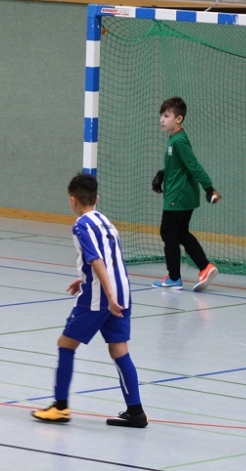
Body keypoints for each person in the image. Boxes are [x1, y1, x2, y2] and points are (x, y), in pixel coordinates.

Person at [32, 173, 148, 427]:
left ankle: (60, 407)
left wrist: (107, 294)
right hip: (123, 291)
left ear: (73, 200)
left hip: (101, 297)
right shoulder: (106, 222)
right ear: (97, 198)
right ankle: (136, 412)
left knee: (66, 344)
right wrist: (85, 279)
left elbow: (96, 260)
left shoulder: (80, 226)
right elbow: (110, 258)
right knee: (119, 349)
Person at [152, 96, 218, 291]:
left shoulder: (179, 141)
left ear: (178, 119)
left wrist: (209, 188)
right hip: (181, 194)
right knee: (180, 232)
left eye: (167, 116)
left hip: (178, 196)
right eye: (161, 115)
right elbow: (177, 165)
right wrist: (162, 175)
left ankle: (174, 277)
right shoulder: (174, 138)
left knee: (168, 232)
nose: (162, 119)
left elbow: (193, 165)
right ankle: (205, 267)